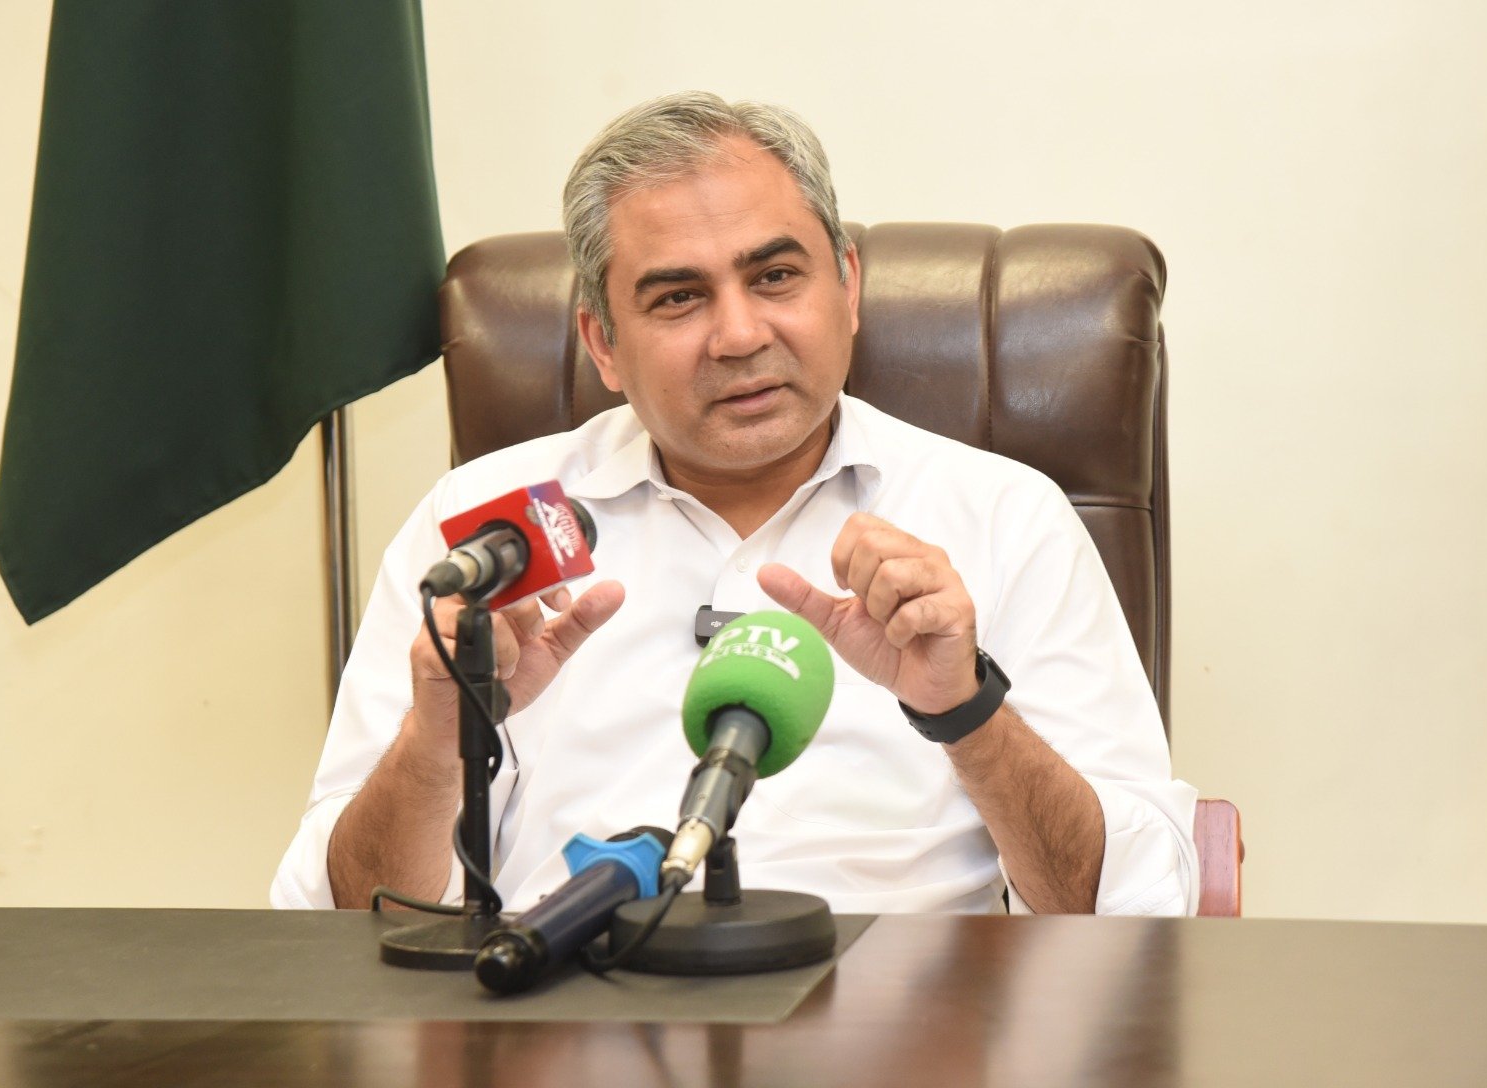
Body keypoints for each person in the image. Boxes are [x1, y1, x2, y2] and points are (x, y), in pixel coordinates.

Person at [272, 92, 1199, 916]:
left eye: (775, 277)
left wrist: (964, 710)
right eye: (679, 298)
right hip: (561, 1021)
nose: (740, 333)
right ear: (602, 342)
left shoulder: (1003, 515)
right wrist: (438, 743)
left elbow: (1135, 902)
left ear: (847, 287)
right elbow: (337, 914)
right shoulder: (485, 529)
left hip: (904, 1031)